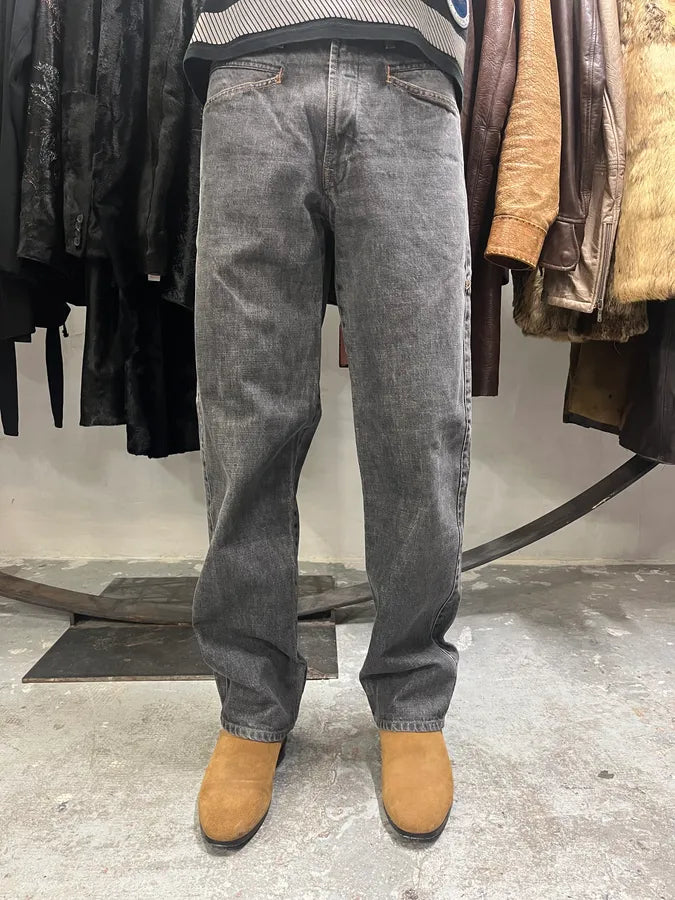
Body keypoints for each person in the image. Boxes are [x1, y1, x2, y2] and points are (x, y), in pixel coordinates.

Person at [183, 0, 472, 849]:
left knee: (419, 414)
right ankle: (251, 705)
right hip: (251, 63)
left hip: (410, 71)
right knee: (246, 418)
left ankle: (412, 701)